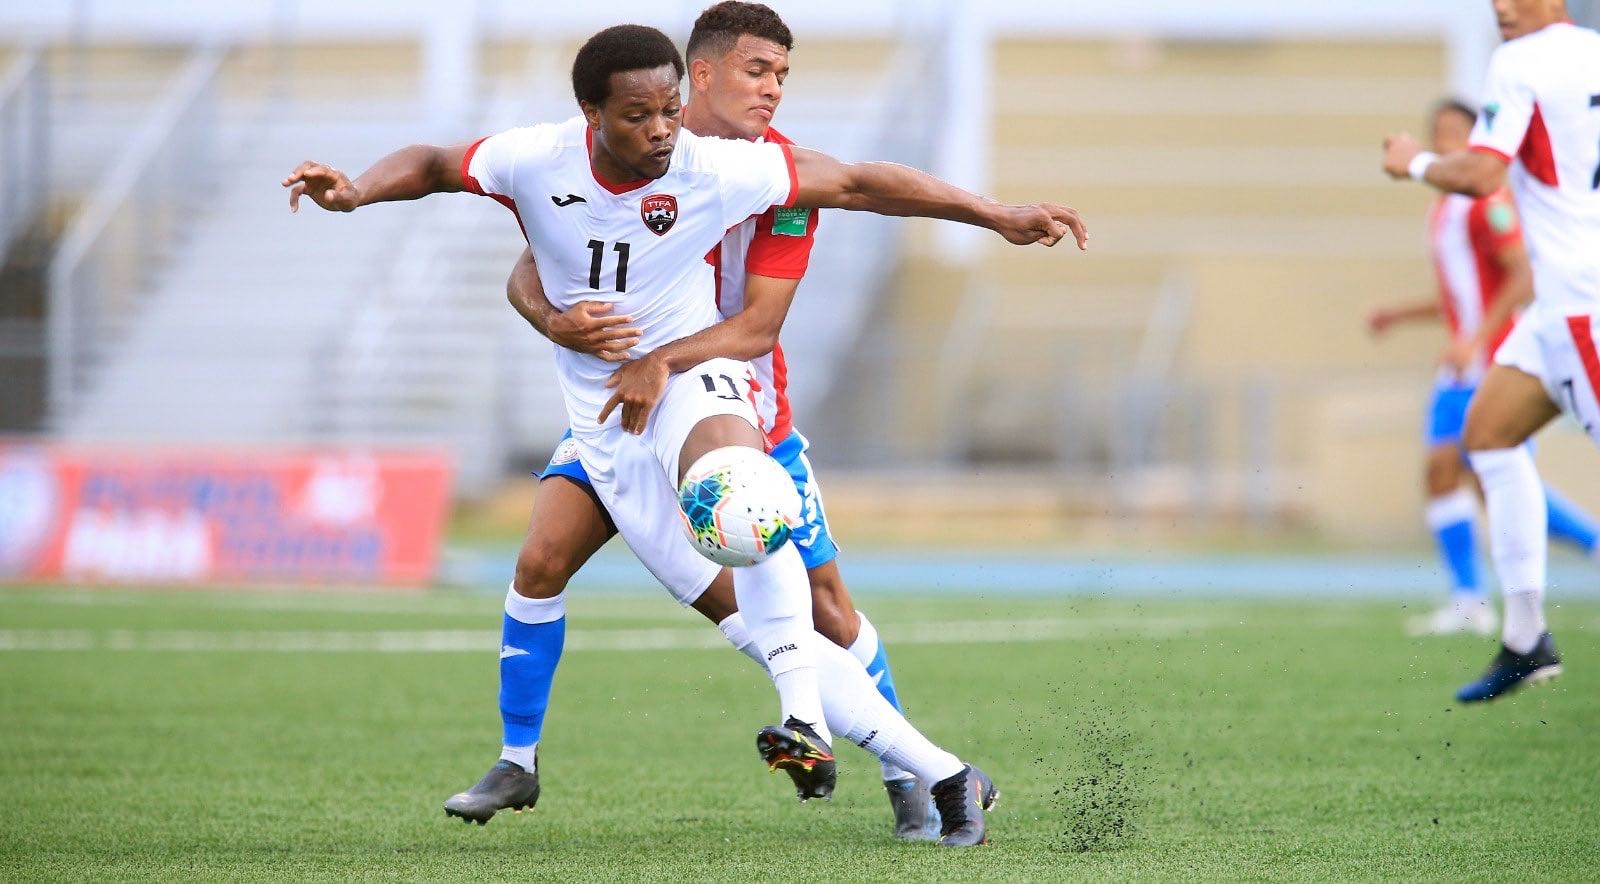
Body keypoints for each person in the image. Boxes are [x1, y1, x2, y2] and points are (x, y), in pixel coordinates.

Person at [284, 23, 1085, 844]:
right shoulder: (535, 160)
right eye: (644, 114)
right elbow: (441, 173)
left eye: (669, 111)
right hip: (604, 420)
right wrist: (356, 193)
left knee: (745, 496)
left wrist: (994, 214)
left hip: (703, 382)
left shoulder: (734, 169)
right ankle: (947, 775)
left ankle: (804, 718)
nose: (663, 129)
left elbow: (855, 186)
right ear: (592, 114)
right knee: (643, 591)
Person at [471, 2, 939, 841]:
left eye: (784, 76)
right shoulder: (619, 156)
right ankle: (517, 760)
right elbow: (533, 267)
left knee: (827, 607)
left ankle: (912, 773)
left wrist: (662, 360)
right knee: (541, 556)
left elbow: (759, 328)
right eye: (760, 71)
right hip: (620, 411)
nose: (774, 91)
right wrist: (553, 320)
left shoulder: (777, 177)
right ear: (704, 73)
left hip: (736, 409)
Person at [1382, 0, 1600, 701]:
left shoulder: (1520, 61)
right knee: (1489, 438)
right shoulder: (1591, 53)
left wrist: (1412, 160)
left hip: (1581, 304)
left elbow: (1483, 175)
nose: (1502, 6)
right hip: (1552, 313)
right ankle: (1525, 636)